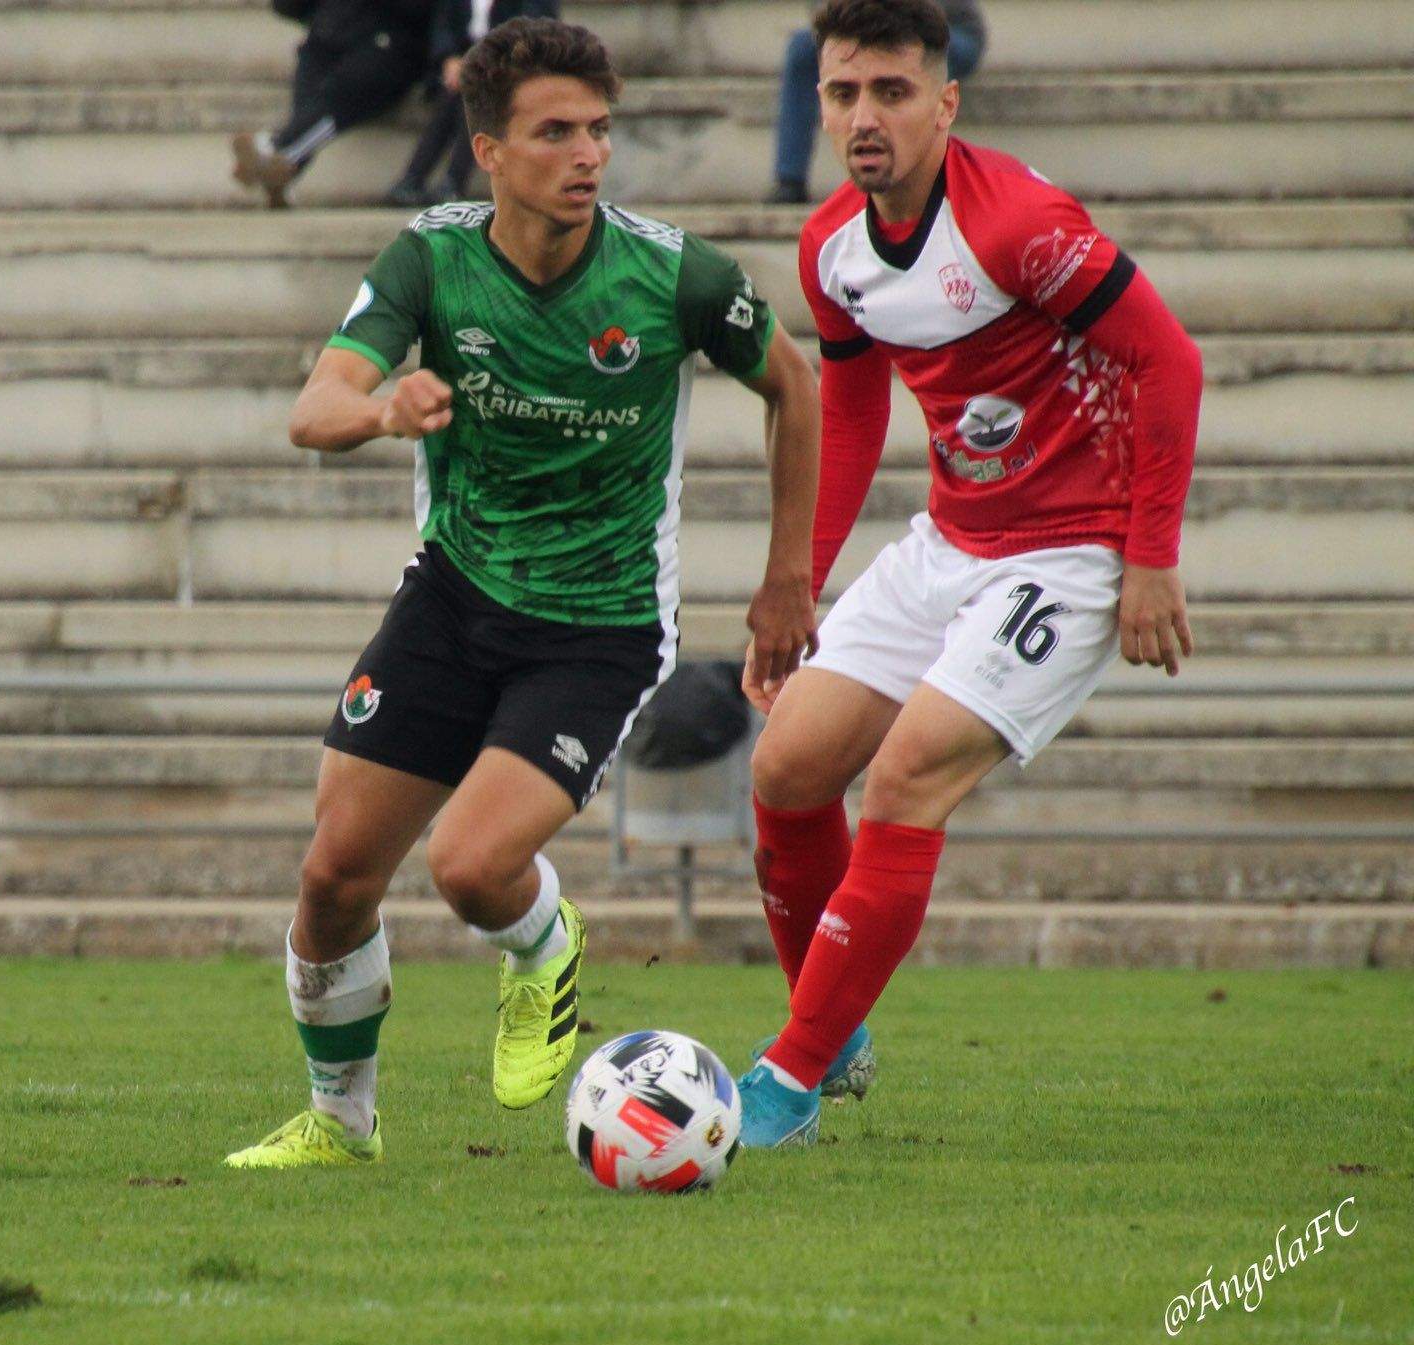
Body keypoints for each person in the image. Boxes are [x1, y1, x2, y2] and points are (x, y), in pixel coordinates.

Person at [224, 16, 822, 1169]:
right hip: (452, 595)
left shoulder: (671, 275)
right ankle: (340, 1121)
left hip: (595, 625)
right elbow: (315, 409)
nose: (587, 154)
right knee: (331, 876)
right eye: (555, 132)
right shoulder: (431, 258)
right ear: (488, 149)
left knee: (470, 865)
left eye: (598, 129)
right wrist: (383, 407)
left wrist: (784, 581)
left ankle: (542, 952)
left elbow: (792, 386)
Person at [733, 0, 1203, 1147]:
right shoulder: (830, 244)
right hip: (948, 539)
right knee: (787, 769)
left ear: (944, 103)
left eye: (889, 92)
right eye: (841, 92)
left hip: (1073, 547)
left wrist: (1147, 558)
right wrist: (797, 577)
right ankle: (830, 1029)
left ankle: (784, 1081)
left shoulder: (1019, 223)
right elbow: (845, 414)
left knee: (900, 783)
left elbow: (1166, 361)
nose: (860, 116)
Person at [769, 0, 984, 204]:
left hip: (949, 28)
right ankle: (790, 178)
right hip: (864, 28)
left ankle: (930, 181)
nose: (862, 121)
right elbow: (826, 15)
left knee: (914, 56)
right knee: (802, 47)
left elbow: (928, 16)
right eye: (843, 96)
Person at [233, 0, 435, 208]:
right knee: (311, 84)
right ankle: (279, 166)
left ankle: (277, 152)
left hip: (387, 44)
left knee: (340, 94)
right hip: (329, 32)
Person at [386, 0, 561, 207]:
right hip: (464, 68)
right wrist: (449, 59)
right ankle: (413, 179)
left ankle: (452, 181)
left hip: (511, 69)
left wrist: (480, 65)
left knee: (474, 99)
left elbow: (532, 35)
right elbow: (444, 28)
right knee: (453, 99)